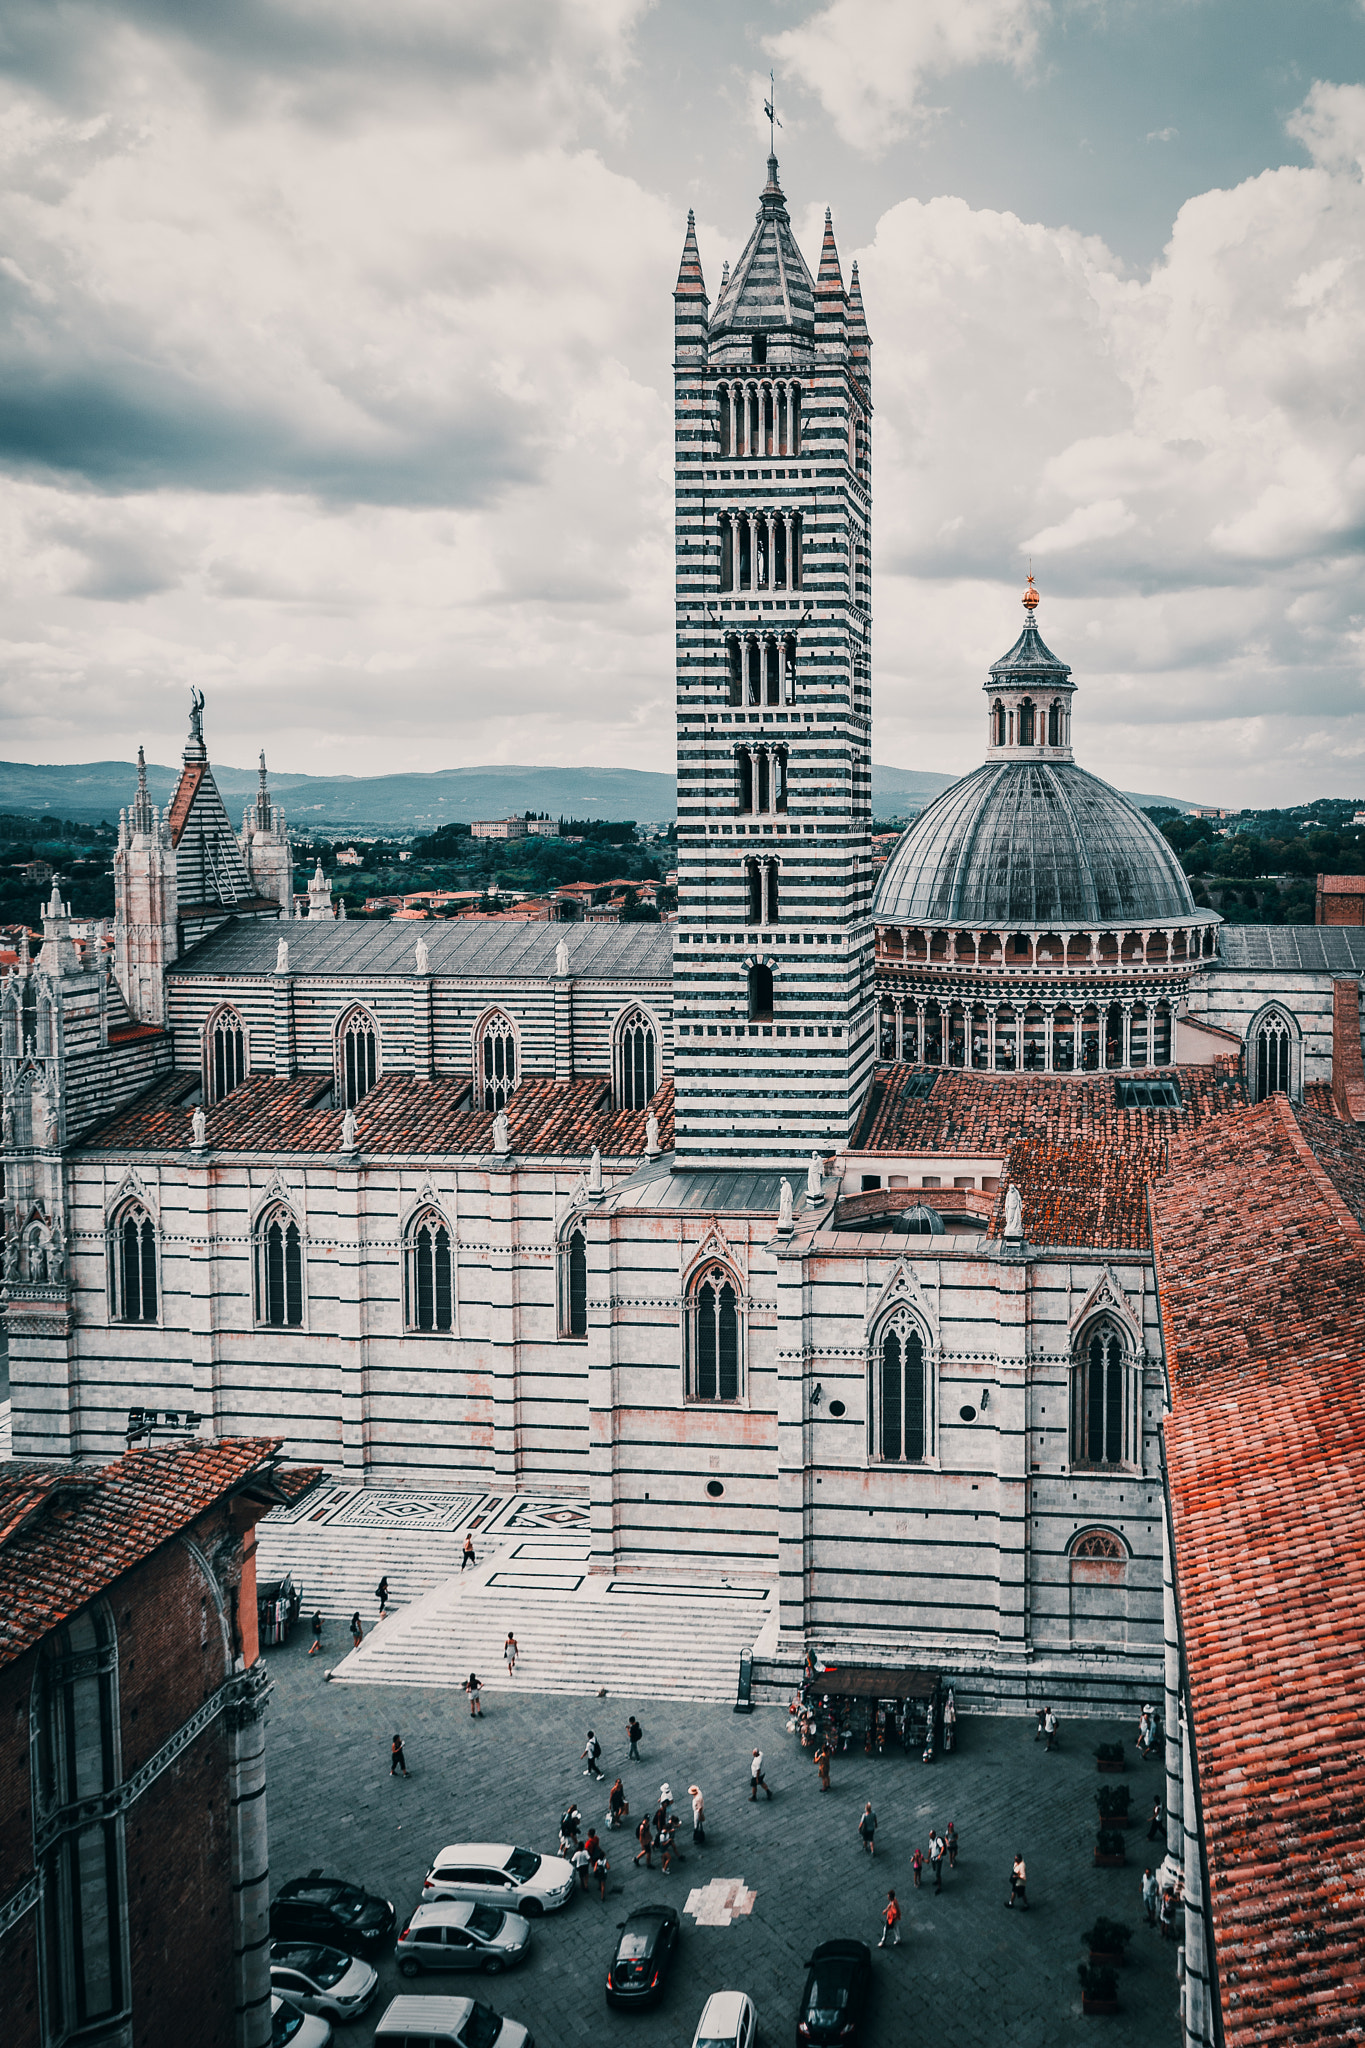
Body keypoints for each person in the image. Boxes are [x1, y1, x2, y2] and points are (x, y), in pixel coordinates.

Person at [943, 1689, 957, 1753]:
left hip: (949, 1724)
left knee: (951, 1737)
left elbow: (953, 1716)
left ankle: (951, 1747)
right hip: (947, 1723)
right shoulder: (947, 1708)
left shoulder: (950, 1709)